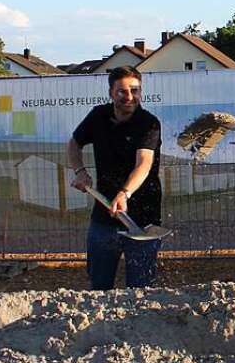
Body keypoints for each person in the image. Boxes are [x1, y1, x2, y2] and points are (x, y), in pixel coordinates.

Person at [66, 66, 163, 290]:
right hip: (104, 212)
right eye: (122, 91)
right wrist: (80, 171)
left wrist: (125, 193)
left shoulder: (149, 123)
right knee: (99, 285)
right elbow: (74, 143)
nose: (129, 97)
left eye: (134, 90)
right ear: (111, 93)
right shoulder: (99, 115)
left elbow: (144, 163)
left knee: (141, 288)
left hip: (142, 219)